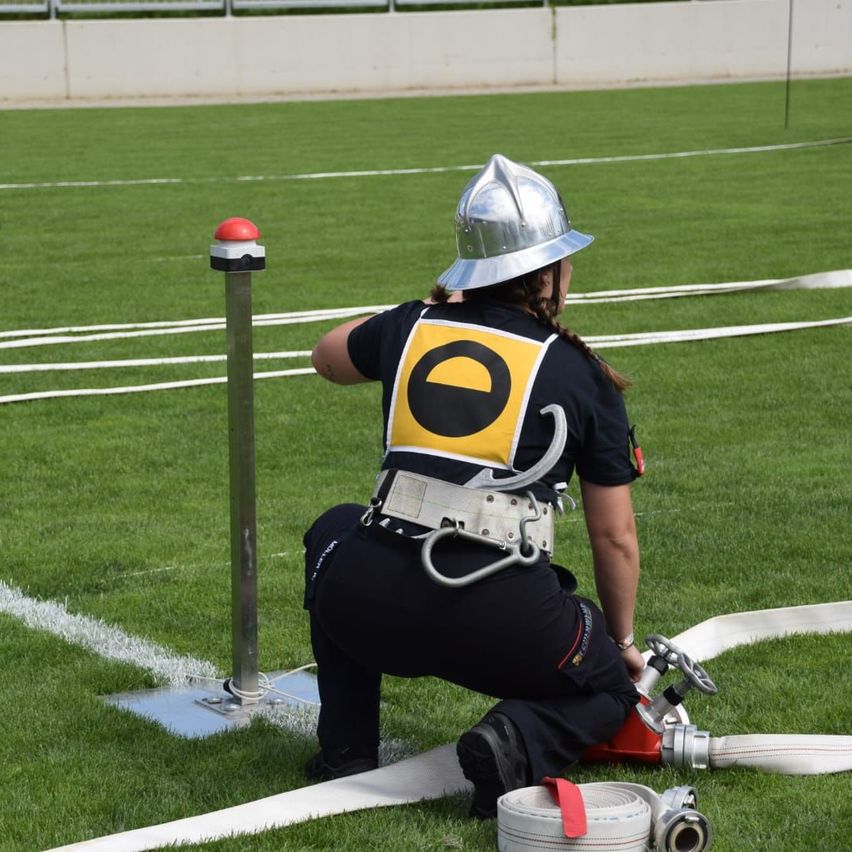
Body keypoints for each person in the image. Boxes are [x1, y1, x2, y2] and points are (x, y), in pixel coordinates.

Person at [302, 153, 645, 819]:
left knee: (335, 527)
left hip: (366, 605)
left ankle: (346, 750)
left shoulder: (411, 326)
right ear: (547, 273)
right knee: (609, 688)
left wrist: (425, 308)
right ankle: (511, 741)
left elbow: (326, 356)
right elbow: (615, 535)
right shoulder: (582, 374)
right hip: (499, 623)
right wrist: (621, 644)